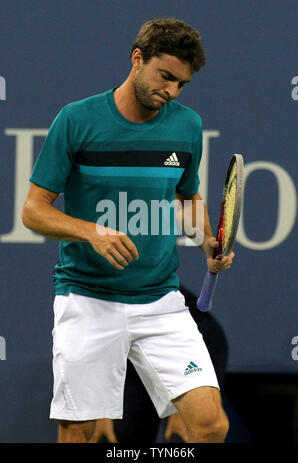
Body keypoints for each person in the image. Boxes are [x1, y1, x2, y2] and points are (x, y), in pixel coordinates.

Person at [22, 18, 234, 443]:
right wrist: (92, 233)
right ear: (137, 60)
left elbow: (187, 197)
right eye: (165, 76)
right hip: (87, 298)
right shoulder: (76, 120)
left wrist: (207, 241)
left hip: (160, 301)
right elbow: (33, 212)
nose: (171, 91)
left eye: (181, 84)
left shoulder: (187, 126)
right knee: (79, 433)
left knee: (211, 425)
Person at [95, 285, 229, 444]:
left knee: (187, 433)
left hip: (195, 344)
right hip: (131, 355)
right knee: (115, 435)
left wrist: (182, 405)